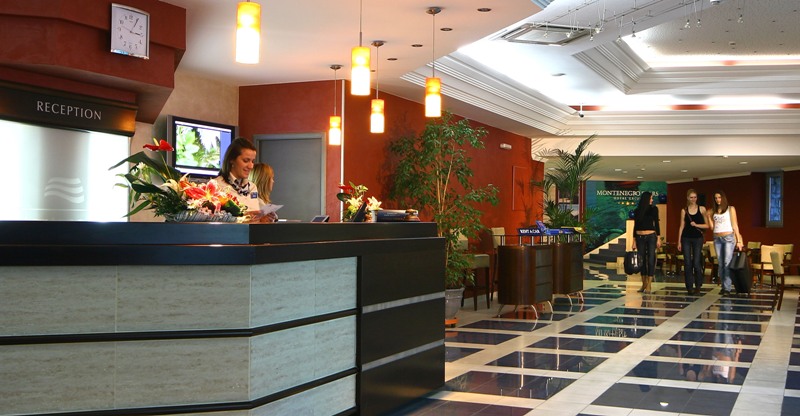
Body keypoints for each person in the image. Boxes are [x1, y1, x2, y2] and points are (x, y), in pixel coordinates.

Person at [707, 190, 744, 296]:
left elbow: (735, 225)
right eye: (715, 198)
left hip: (728, 237)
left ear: (723, 198)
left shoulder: (730, 209)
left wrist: (739, 240)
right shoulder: (713, 210)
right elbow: (712, 227)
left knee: (727, 262)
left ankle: (727, 288)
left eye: (719, 197)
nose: (717, 200)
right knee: (721, 263)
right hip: (717, 238)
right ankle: (723, 287)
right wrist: (708, 217)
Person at [212, 137, 260, 214]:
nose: (251, 166)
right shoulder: (217, 186)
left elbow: (256, 214)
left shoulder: (252, 187)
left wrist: (263, 217)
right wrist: (246, 216)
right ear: (232, 160)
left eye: (252, 161)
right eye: (246, 161)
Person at [677, 189, 709, 295]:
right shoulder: (684, 210)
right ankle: (689, 287)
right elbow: (681, 226)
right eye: (691, 197)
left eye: (695, 197)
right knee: (687, 263)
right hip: (686, 237)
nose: (693, 199)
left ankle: (698, 285)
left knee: (696, 262)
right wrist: (679, 241)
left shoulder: (702, 209)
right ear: (687, 198)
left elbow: (707, 225)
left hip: (698, 238)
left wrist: (696, 225)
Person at [631, 191, 661, 293]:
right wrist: (634, 240)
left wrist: (658, 238)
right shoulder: (637, 210)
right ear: (646, 199)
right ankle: (644, 283)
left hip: (651, 236)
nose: (652, 200)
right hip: (640, 237)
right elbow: (635, 226)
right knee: (641, 260)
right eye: (651, 198)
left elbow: (656, 223)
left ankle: (649, 284)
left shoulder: (654, 209)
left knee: (651, 259)